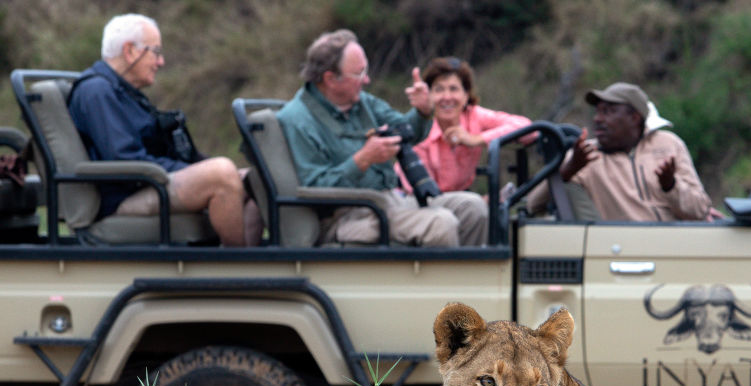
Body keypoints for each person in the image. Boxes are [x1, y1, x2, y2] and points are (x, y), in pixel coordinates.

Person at [276, 30, 487, 247]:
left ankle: (468, 281)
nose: (366, 79)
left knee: (473, 208)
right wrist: (362, 160)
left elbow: (406, 132)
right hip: (346, 217)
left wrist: (423, 112)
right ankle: (441, 280)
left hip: (388, 202)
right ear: (330, 79)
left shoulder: (361, 102)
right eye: (358, 74)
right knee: (440, 223)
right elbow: (314, 188)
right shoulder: (298, 120)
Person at [68, 13, 259, 246]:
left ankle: (252, 255)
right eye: (156, 52)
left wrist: (192, 168)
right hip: (125, 195)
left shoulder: (123, 92)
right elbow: (126, 161)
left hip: (147, 182)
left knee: (253, 179)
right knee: (222, 174)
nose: (161, 62)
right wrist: (189, 172)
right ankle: (238, 267)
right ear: (130, 51)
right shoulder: (97, 92)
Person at [528, 82, 718, 222]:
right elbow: (533, 205)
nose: (598, 119)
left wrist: (671, 186)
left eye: (608, 111)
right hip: (619, 251)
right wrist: (568, 170)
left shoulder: (668, 144)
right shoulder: (586, 154)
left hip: (673, 249)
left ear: (635, 118)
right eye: (598, 112)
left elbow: (700, 209)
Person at [400, 57, 532, 193]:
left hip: (460, 201)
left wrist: (476, 139)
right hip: (416, 203)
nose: (447, 97)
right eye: (439, 90)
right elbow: (423, 194)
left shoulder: (474, 115)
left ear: (466, 95)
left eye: (454, 89)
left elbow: (526, 128)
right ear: (428, 96)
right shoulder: (419, 127)